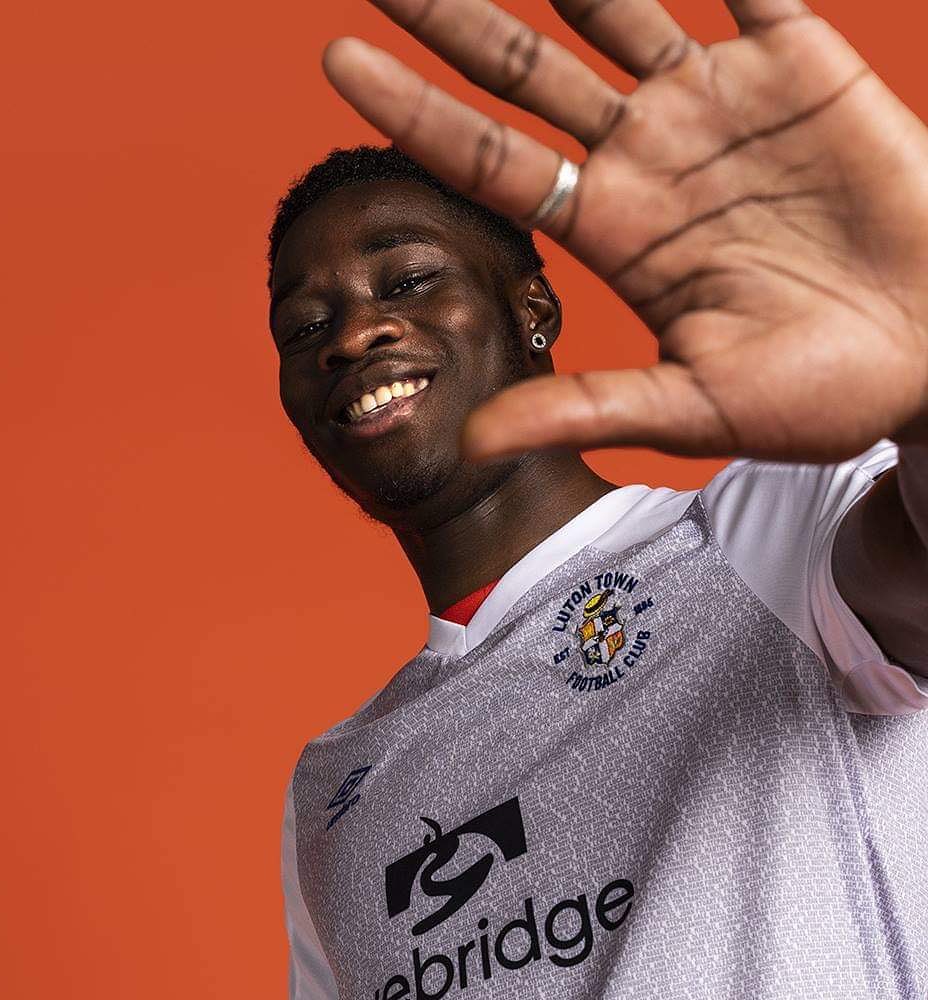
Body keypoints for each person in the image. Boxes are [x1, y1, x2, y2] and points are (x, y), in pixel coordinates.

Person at [270, 0, 928, 996]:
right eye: (305, 325)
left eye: (405, 281)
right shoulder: (331, 794)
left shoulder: (765, 547)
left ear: (530, 309)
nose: (352, 335)